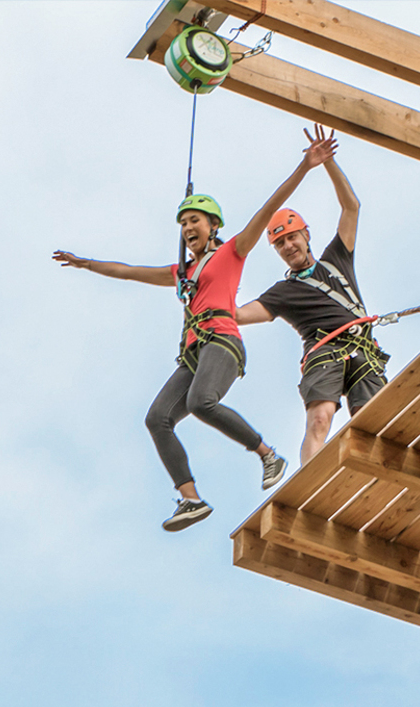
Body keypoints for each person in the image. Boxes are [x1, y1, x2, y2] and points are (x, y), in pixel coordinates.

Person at [52, 132, 337, 531]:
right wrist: (86, 264)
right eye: (184, 223)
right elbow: (130, 272)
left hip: (222, 340)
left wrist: (305, 167)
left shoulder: (231, 252)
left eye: (195, 221)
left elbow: (268, 206)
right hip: (193, 352)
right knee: (157, 418)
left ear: (213, 225)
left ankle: (268, 454)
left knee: (203, 402)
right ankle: (191, 500)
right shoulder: (182, 273)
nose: (188, 227)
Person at [236, 126, 388, 463]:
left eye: (292, 237)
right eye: (280, 243)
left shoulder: (336, 260)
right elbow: (239, 315)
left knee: (372, 420)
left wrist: (328, 163)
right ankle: (310, 480)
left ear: (306, 235)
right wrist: (207, 293)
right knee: (320, 418)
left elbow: (351, 207)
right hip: (325, 352)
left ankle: (374, 476)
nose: (288, 246)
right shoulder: (283, 293)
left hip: (362, 347)